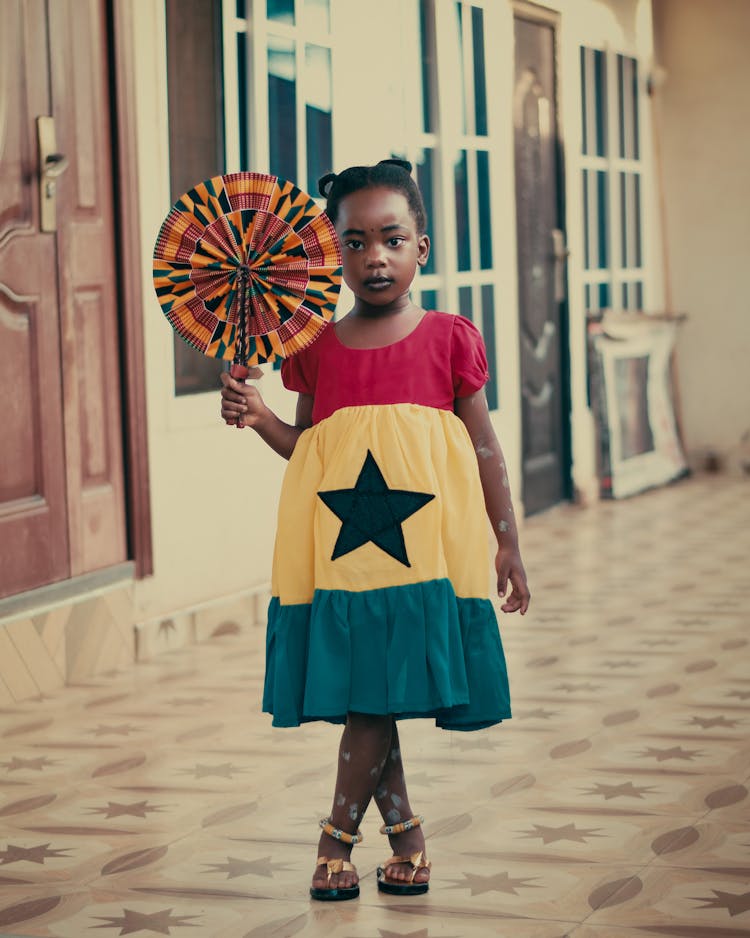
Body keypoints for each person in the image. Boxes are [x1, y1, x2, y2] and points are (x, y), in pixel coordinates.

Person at [220, 159, 530, 901]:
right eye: (353, 243)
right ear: (334, 256)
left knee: (371, 698)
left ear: (422, 245)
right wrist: (258, 414)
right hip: (341, 559)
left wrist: (507, 538)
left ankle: (339, 837)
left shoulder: (450, 340)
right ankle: (403, 839)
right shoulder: (316, 350)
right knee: (371, 696)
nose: (374, 258)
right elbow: (309, 450)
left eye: (391, 239)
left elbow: (485, 447)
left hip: (424, 559)